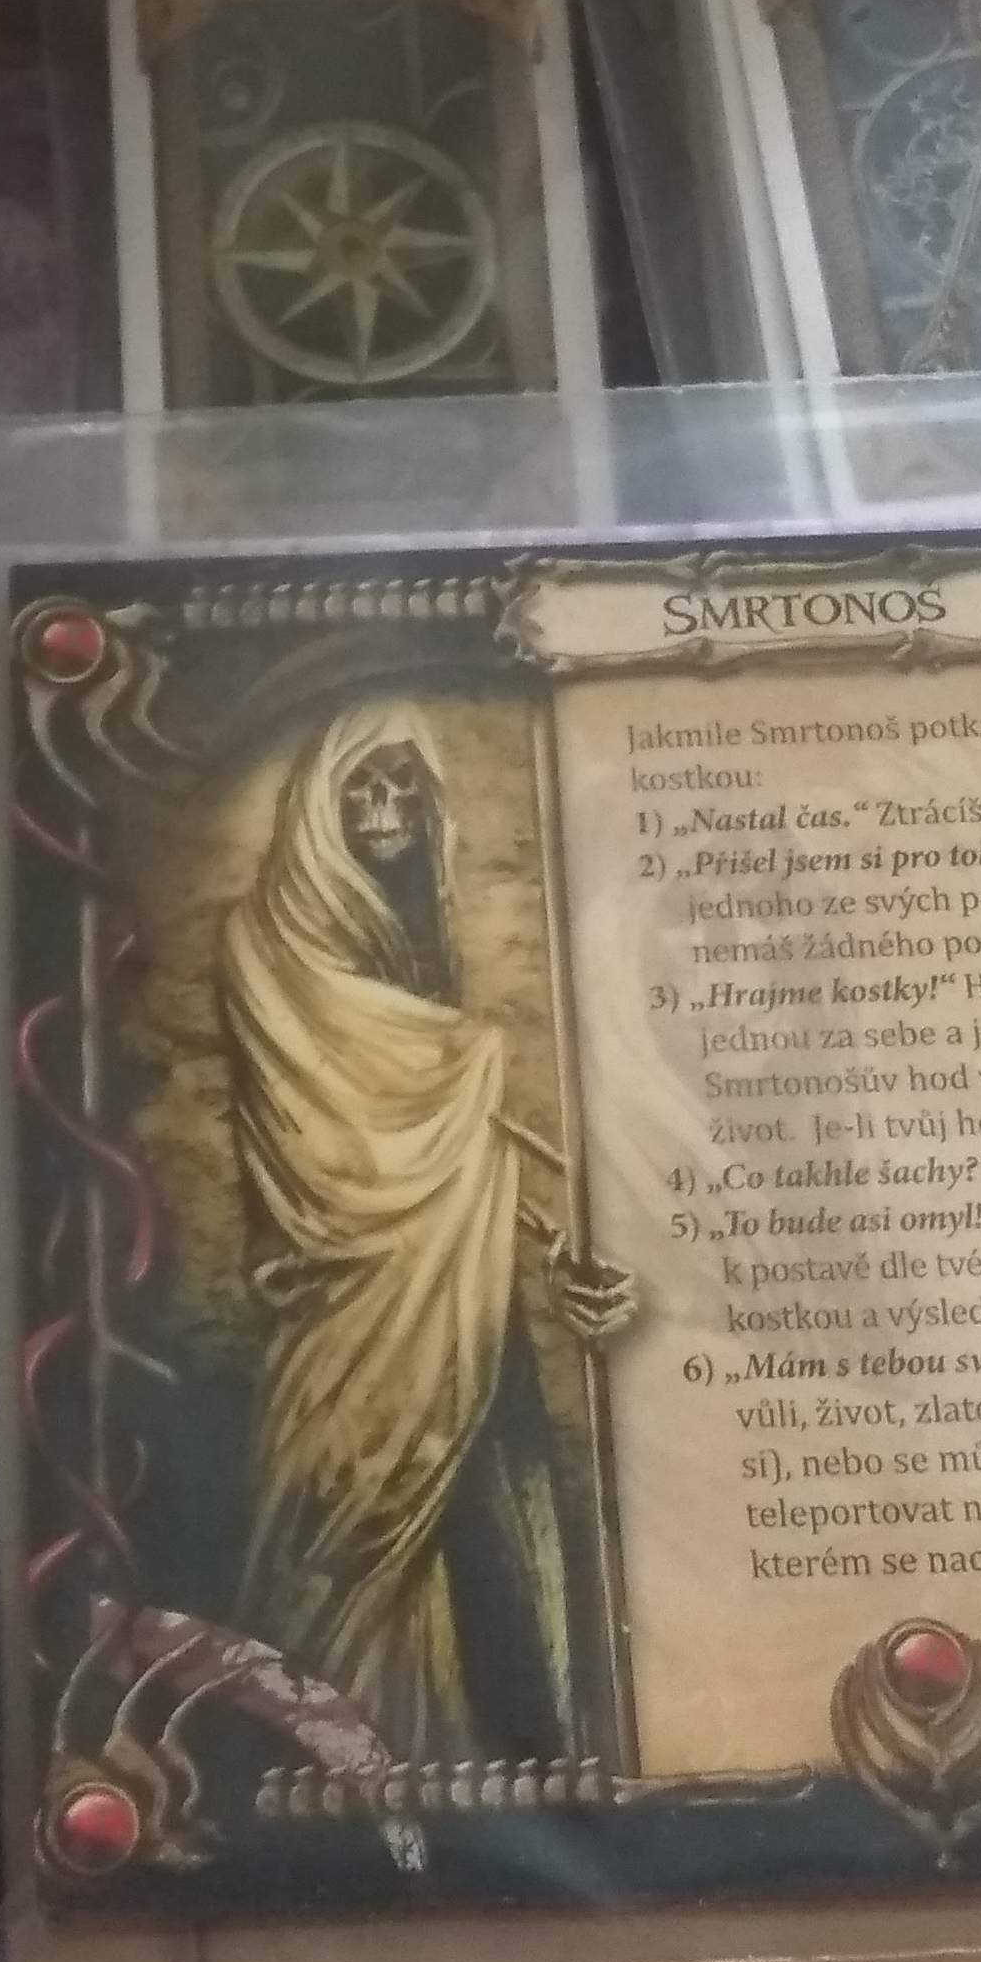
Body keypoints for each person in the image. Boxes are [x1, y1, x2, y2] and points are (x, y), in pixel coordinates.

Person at [219, 700, 627, 1761]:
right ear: (321, 806)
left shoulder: (405, 931)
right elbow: (336, 1143)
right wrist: (466, 1061)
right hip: (350, 1298)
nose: (387, 809)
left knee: (488, 1517)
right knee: (352, 1527)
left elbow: (435, 1124)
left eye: (405, 786)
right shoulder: (266, 943)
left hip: (460, 1274)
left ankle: (503, 1758)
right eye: (363, 787)